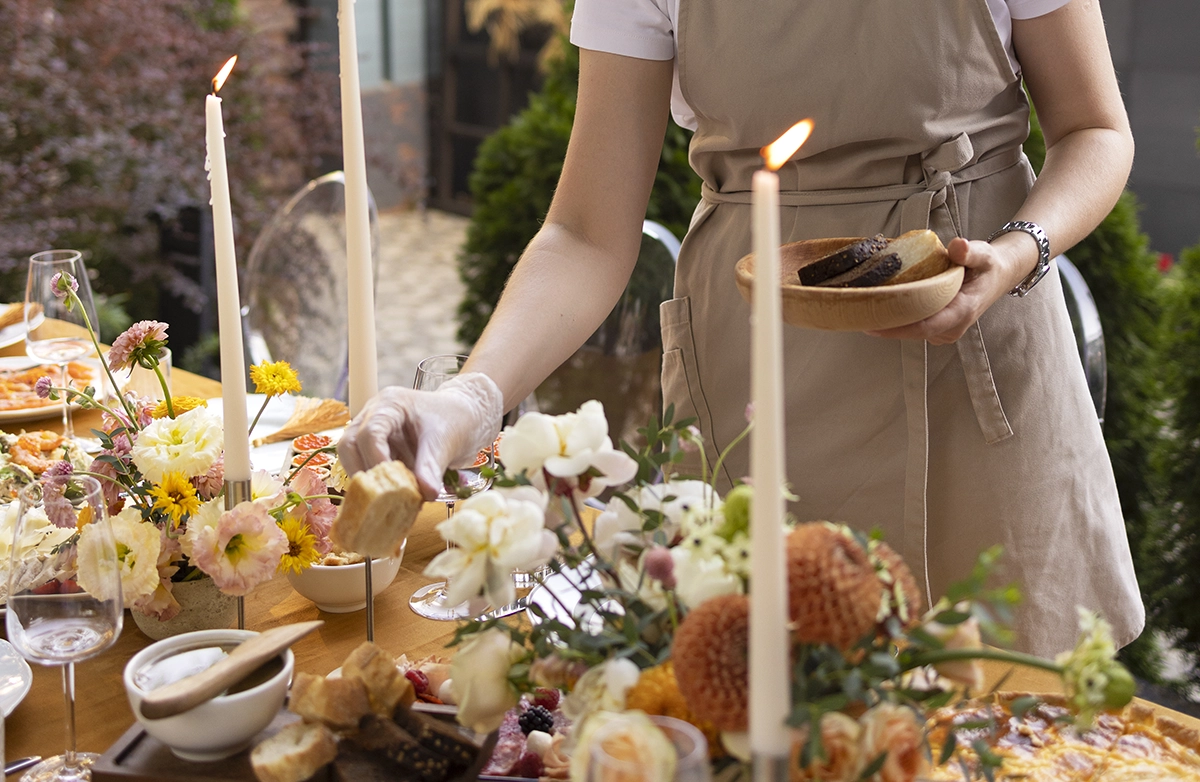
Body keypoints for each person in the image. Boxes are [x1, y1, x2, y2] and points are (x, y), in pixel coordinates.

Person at [340, 0, 1143, 656]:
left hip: (981, 355)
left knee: (1013, 720)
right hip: (756, 376)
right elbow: (588, 231)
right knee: (761, 708)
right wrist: (467, 401)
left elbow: (1096, 131)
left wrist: (1013, 254)